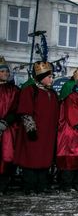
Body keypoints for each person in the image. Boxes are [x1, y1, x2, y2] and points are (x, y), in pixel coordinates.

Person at [14, 61, 60, 194]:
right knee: (30, 159)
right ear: (41, 78)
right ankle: (29, 186)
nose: (51, 79)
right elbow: (25, 111)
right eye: (49, 77)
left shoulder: (52, 93)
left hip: (48, 134)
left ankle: (42, 186)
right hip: (34, 132)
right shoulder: (30, 91)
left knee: (45, 160)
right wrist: (31, 129)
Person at [0, 56, 19, 193]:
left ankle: (3, 184)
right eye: (2, 71)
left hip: (7, 128)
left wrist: (5, 121)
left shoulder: (14, 90)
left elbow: (16, 108)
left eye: (6, 71)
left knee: (7, 156)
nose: (5, 74)